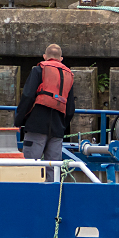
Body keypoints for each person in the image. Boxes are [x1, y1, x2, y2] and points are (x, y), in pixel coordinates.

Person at [15, 44, 76, 177]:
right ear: (61, 59)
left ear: (44, 57)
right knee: (54, 171)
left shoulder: (39, 70)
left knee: (30, 168)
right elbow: (70, 108)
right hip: (57, 129)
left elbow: (27, 96)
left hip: (36, 126)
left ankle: (31, 195)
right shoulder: (68, 75)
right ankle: (53, 196)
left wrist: (18, 122)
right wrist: (61, 126)